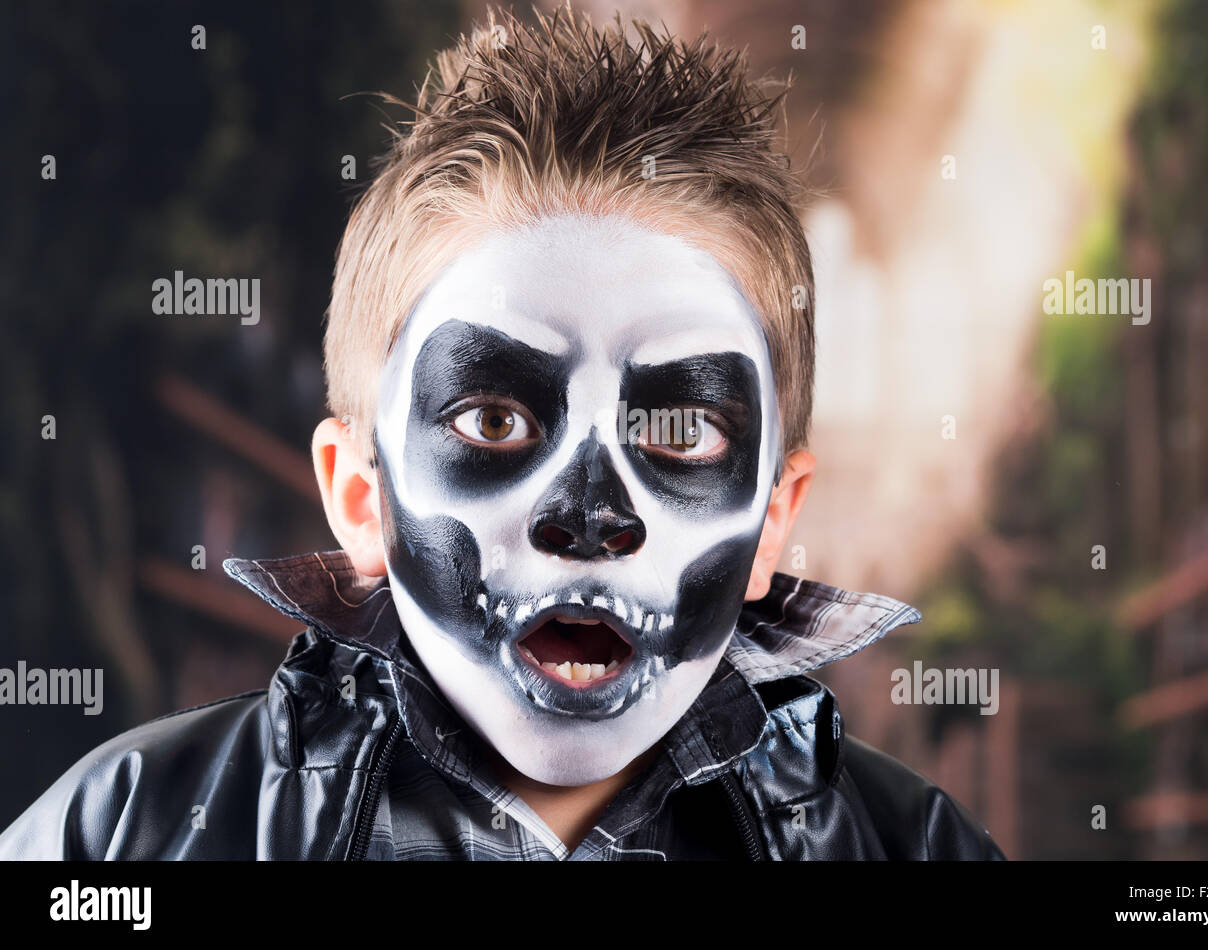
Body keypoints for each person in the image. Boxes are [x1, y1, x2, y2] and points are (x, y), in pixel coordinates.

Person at [0, 6, 1003, 861]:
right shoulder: (121, 837)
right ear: (362, 494)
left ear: (771, 525)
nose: (591, 516)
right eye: (494, 417)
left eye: (679, 428)